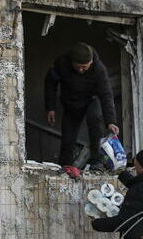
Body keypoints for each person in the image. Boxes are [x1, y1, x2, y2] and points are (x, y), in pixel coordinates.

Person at [44, 42, 120, 178]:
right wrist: (50, 108)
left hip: (92, 99)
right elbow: (50, 83)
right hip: (71, 102)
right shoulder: (62, 63)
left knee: (95, 119)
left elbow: (106, 95)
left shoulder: (99, 69)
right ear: (72, 62)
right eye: (78, 67)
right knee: (68, 137)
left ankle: (97, 161)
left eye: (85, 68)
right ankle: (64, 167)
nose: (81, 70)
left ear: (91, 63)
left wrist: (111, 121)